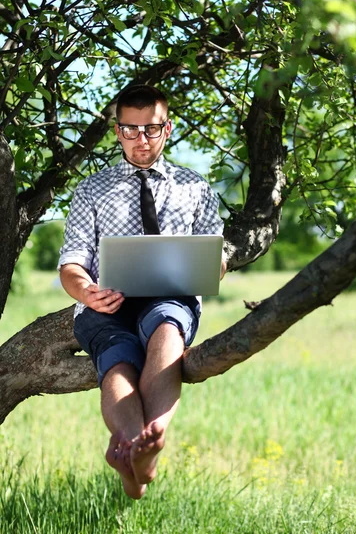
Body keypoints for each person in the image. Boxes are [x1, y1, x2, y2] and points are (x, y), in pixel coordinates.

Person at [58, 85, 226, 499]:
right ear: (117, 132)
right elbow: (71, 263)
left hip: (172, 296)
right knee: (117, 364)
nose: (141, 140)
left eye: (150, 129)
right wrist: (87, 292)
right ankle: (140, 450)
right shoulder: (91, 191)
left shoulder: (196, 187)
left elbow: (215, 255)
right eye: (130, 131)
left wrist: (213, 266)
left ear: (167, 129)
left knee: (168, 329)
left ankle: (143, 446)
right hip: (107, 304)